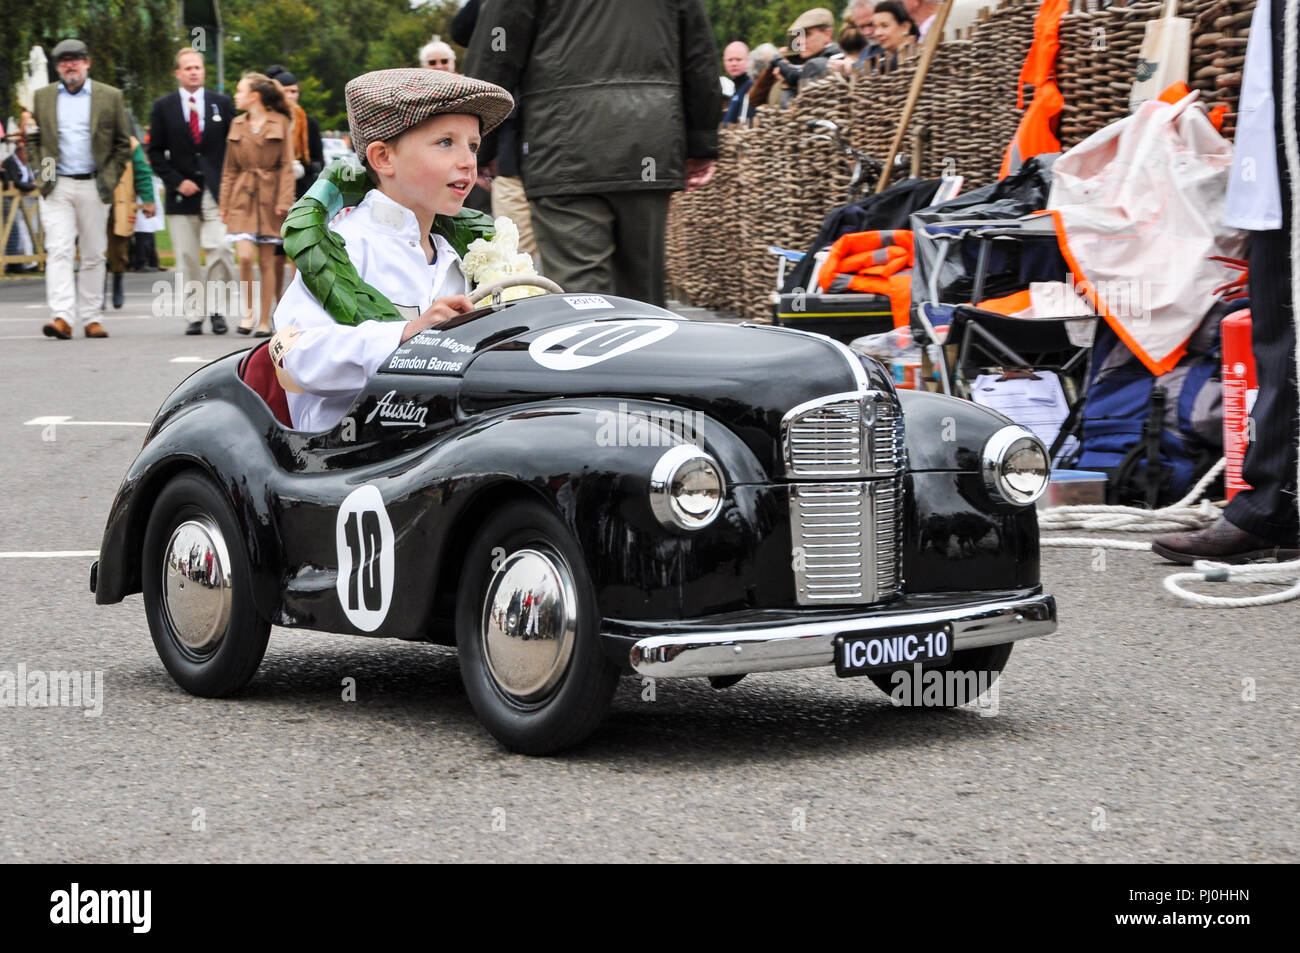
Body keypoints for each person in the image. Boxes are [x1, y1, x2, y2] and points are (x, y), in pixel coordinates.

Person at [270, 68, 510, 431]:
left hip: (447, 440)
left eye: (473, 145)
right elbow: (294, 354)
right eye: (446, 142)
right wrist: (405, 336)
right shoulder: (344, 244)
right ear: (383, 158)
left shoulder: (463, 256)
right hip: (349, 455)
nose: (467, 161)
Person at [1153, 0, 1299, 563]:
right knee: (1275, 332)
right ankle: (1274, 504)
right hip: (1278, 169)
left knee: (1285, 336)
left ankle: (1270, 505)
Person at [466, 0, 719, 308]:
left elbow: (496, 51)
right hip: (648, 144)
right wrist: (701, 142)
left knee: (583, 299)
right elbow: (699, 55)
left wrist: (478, 141)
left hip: (564, 147)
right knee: (643, 296)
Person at [29, 38, 132, 339]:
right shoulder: (43, 97)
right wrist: (44, 177)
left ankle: (91, 318)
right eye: (63, 61)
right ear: (58, 67)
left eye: (75, 60)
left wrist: (108, 180)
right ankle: (61, 316)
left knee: (93, 253)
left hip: (94, 184)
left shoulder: (109, 96)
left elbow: (123, 144)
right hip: (57, 185)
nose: (70, 65)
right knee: (58, 249)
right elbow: (36, 141)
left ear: (87, 63)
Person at [148, 47, 236, 335]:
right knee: (186, 256)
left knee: (221, 248)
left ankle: (217, 309)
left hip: (217, 191)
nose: (194, 72)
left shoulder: (221, 104)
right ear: (178, 73)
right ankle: (194, 314)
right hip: (181, 193)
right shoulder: (164, 107)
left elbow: (234, 147)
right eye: (187, 68)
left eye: (197, 67)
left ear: (204, 71)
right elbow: (156, 152)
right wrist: (175, 180)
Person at [219, 72, 295, 336]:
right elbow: (229, 168)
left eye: (239, 91)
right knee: (245, 256)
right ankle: (248, 312)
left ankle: (265, 320)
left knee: (266, 262)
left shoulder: (281, 122)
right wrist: (224, 203)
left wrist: (284, 200)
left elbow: (287, 165)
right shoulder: (237, 123)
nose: (235, 96)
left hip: (271, 198)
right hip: (241, 196)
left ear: (254, 97)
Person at [264, 66, 324, 295]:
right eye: (285, 91)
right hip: (274, 195)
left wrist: (303, 167)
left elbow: (319, 162)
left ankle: (295, 309)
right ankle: (277, 306)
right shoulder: (268, 122)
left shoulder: (308, 122)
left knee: (297, 256)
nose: (291, 96)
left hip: (301, 194)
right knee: (275, 256)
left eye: (294, 91)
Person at [104, 135, 156, 309]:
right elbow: (48, 152)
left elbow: (142, 172)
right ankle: (94, 293)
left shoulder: (129, 143)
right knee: (88, 250)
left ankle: (116, 278)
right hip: (77, 197)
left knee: (118, 247)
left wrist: (148, 199)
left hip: (119, 200)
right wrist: (47, 182)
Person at [771, 8, 843, 93]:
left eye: (807, 34)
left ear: (827, 34)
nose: (798, 42)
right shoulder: (825, 56)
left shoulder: (834, 59)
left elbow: (795, 77)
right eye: (798, 36)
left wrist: (779, 61)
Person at [871, 0, 918, 71]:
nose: (877, 33)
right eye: (875, 27)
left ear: (905, 27)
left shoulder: (918, 56)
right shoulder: (878, 60)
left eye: (885, 26)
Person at [721, 41, 753, 125]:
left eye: (739, 59)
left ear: (748, 60)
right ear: (724, 61)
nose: (734, 63)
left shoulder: (751, 87)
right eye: (730, 60)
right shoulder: (724, 87)